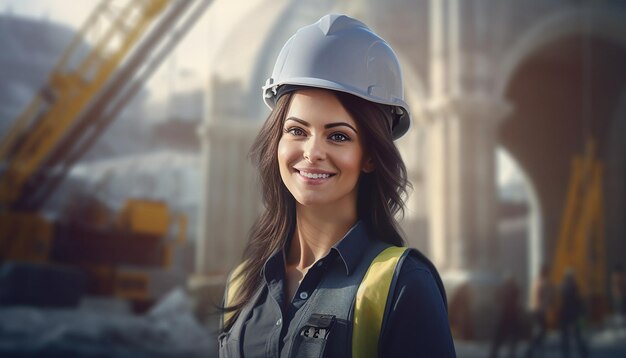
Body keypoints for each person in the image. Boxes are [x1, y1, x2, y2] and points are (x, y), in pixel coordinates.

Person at [218, 14, 456, 357]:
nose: (312, 152)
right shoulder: (243, 283)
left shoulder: (401, 285)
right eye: (297, 131)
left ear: (370, 156)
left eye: (338, 136)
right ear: (277, 142)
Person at [525, 264, 554, 358]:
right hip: (540, 309)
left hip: (534, 309)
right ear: (545, 272)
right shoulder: (543, 282)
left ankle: (534, 348)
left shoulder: (535, 281)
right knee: (541, 330)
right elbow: (544, 296)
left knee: (539, 329)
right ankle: (532, 348)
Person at [489, 273, 522, 358]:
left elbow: (497, 299)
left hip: (506, 316)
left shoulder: (505, 288)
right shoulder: (512, 288)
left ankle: (496, 353)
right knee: (509, 337)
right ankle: (499, 353)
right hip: (508, 316)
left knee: (503, 337)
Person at [559, 269, 588, 358]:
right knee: (577, 335)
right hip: (574, 313)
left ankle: (566, 354)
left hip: (564, 313)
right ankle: (583, 353)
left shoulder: (563, 286)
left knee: (565, 336)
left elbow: (561, 300)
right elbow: (578, 299)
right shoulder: (574, 286)